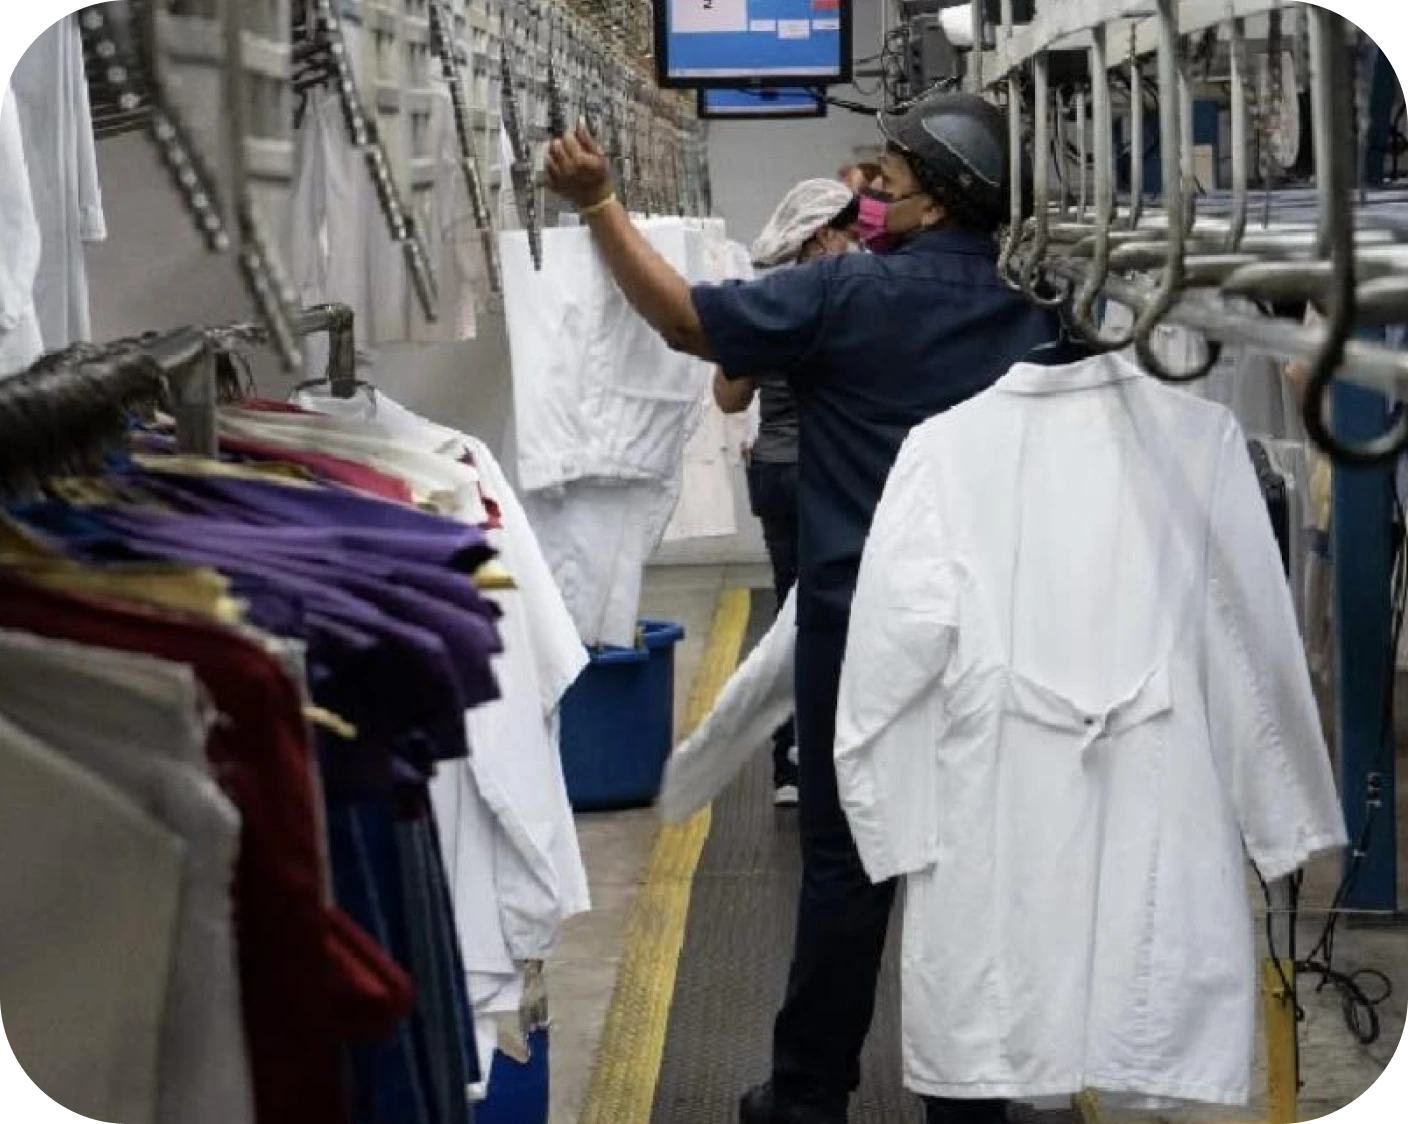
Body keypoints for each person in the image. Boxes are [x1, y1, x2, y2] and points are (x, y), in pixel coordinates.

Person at [545, 90, 1059, 1124]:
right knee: (978, 864)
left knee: (844, 863)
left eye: (892, 177)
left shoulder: (848, 296)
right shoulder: (1044, 308)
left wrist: (599, 202)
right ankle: (969, 1099)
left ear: (939, 199)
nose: (875, 191)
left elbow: (688, 319)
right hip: (1002, 630)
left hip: (860, 622)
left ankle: (810, 1090)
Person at [712, 178, 860, 807]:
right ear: (824, 234)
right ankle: (842, 751)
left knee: (790, 616)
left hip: (777, 470)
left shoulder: (761, 296)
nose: (857, 242)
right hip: (834, 471)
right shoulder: (856, 292)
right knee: (848, 615)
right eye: (849, 231)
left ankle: (790, 765)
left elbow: (728, 397)